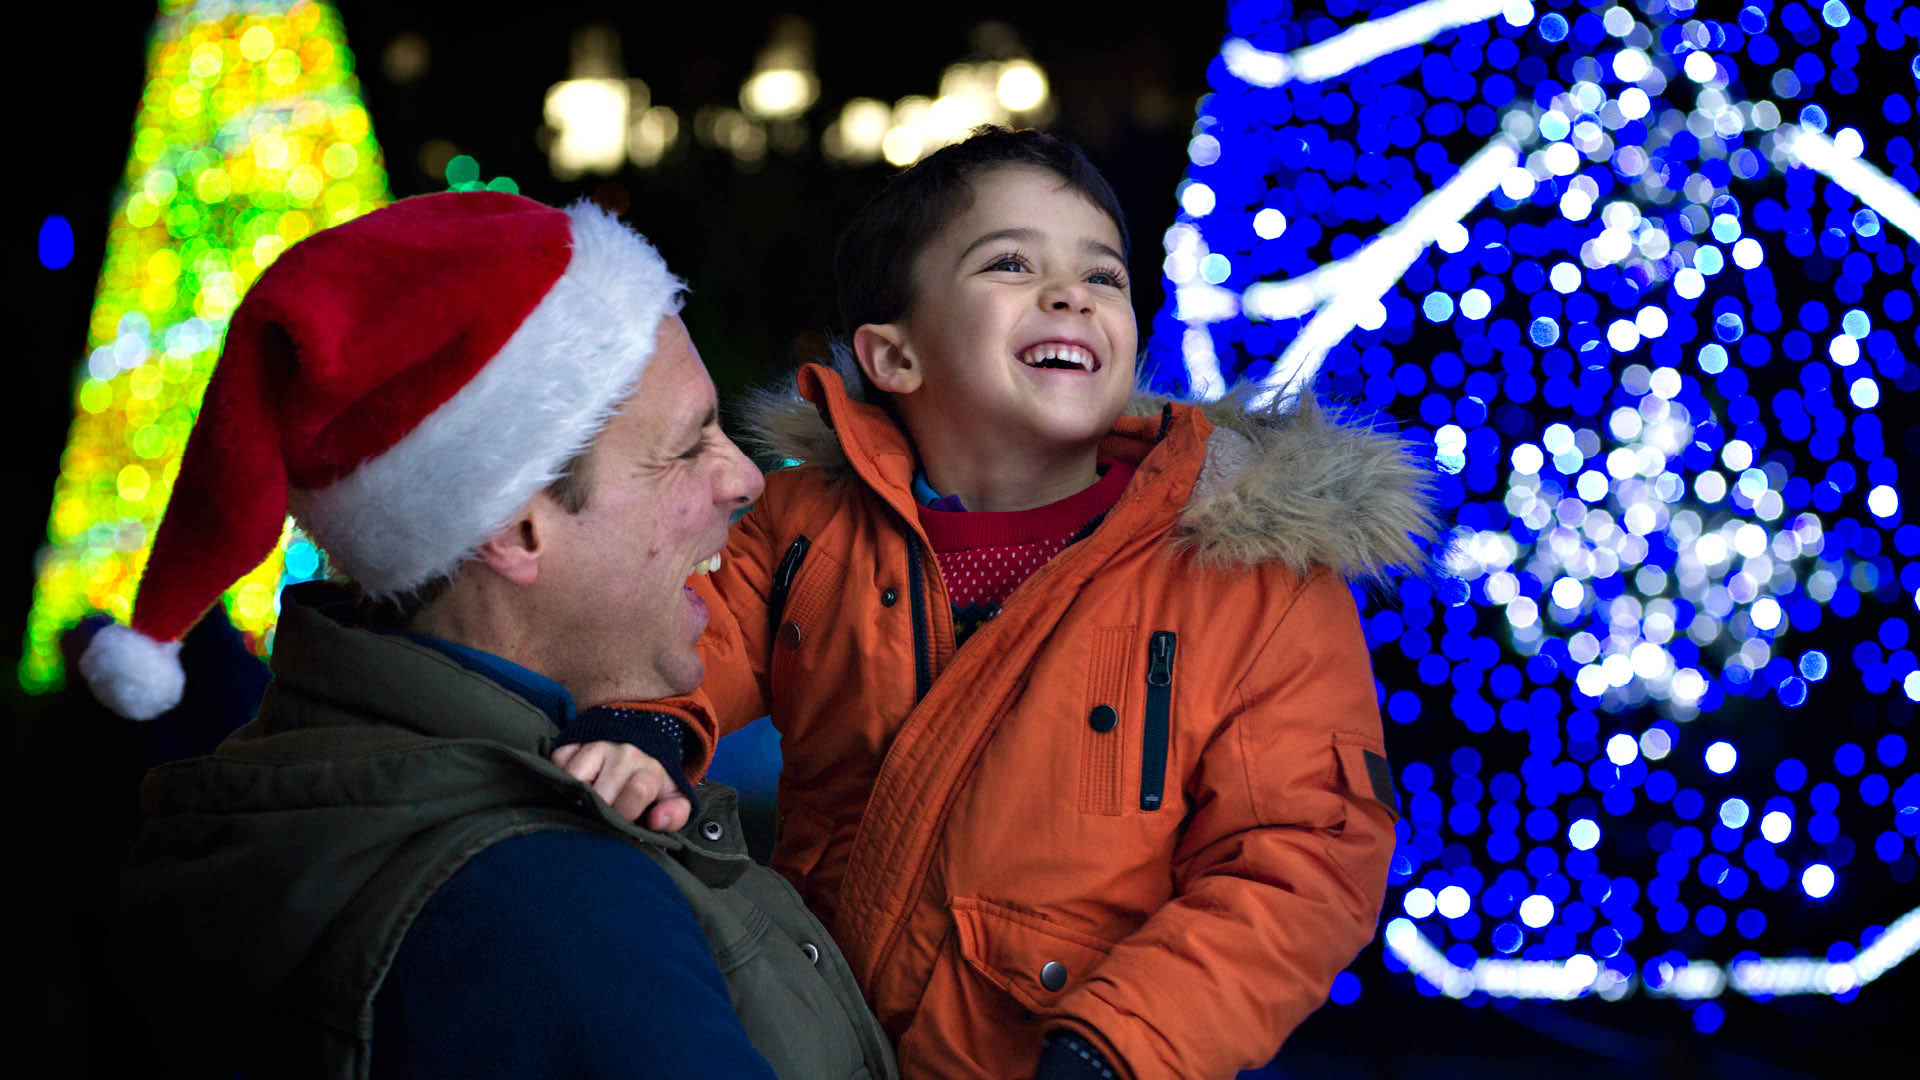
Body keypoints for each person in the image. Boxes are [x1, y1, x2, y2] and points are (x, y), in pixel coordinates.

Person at [569, 126, 1436, 1078]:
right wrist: (641, 727)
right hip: (808, 1036)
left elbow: (1304, 856)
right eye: (1011, 263)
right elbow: (697, 629)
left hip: (1065, 1055)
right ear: (896, 359)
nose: (1070, 293)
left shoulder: (1249, 578)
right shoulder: (808, 525)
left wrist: (1128, 1042)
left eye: (1104, 277)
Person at [87, 191, 895, 1079]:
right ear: (514, 529)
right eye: (686, 445)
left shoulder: (306, 773)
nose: (745, 477)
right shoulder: (553, 913)